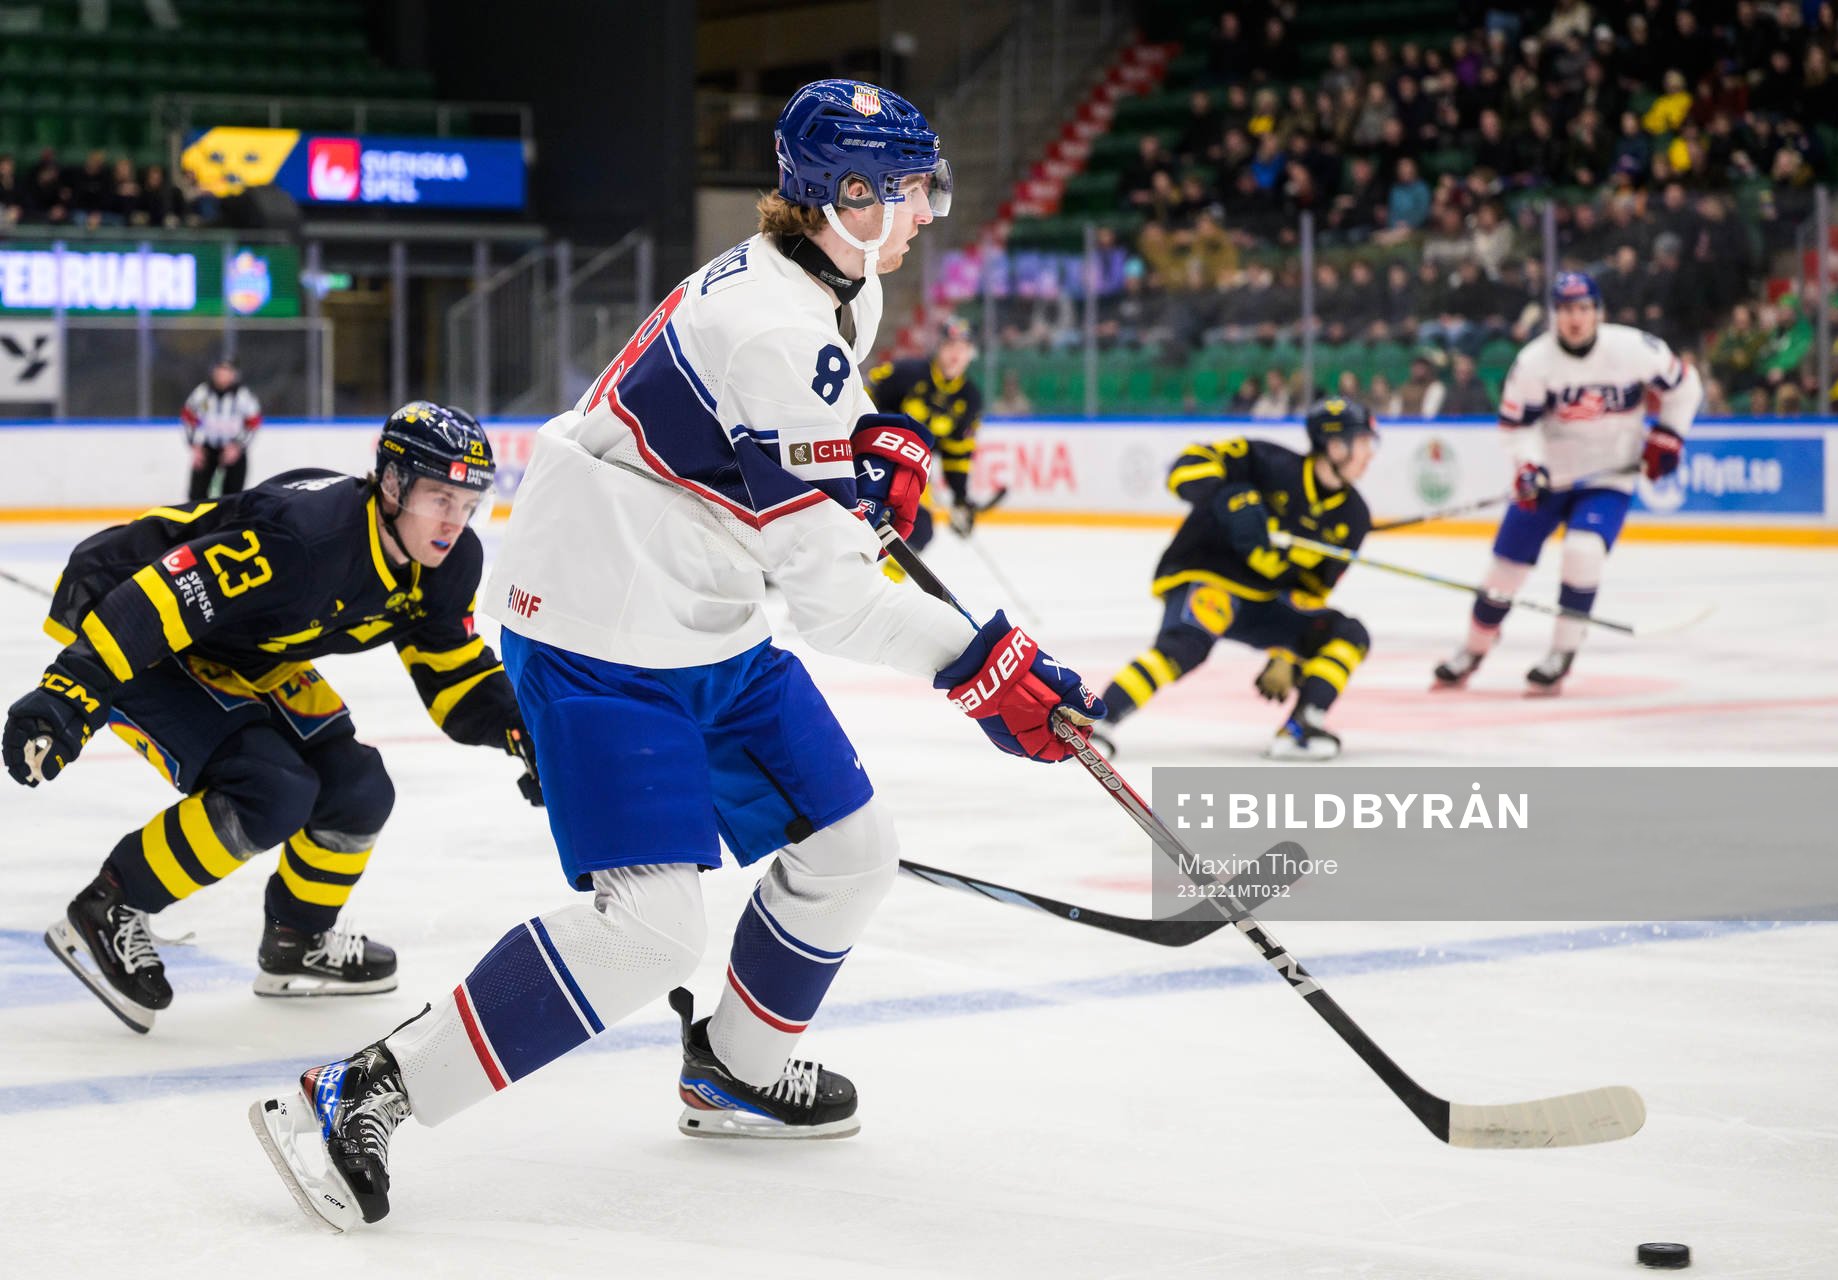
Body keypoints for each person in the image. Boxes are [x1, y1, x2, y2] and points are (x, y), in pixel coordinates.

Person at [246, 79, 1103, 1232]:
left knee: (856, 847)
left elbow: (777, 441)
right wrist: (982, 663)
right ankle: (359, 1089)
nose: (929, 211)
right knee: (649, 929)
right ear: (845, 199)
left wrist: (856, 451)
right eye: (910, 191)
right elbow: (836, 599)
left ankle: (736, 1065)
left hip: (703, 604)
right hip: (603, 624)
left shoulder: (830, 283)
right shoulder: (774, 325)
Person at [2, 403, 542, 1034]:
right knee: (270, 788)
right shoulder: (306, 539)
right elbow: (157, 602)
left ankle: (296, 940)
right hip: (136, 622)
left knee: (358, 788)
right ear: (392, 485)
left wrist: (528, 733)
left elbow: (452, 674)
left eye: (469, 502)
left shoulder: (446, 564)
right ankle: (108, 908)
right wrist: (66, 696)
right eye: (439, 497)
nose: (455, 521)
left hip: (242, 646)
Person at [1433, 272, 1701, 694]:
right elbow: (1516, 427)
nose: (1575, 319)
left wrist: (1669, 434)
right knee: (1504, 572)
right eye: (1566, 311)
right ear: (1554, 316)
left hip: (1608, 478)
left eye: (1583, 309)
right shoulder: (1534, 363)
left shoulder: (1634, 349)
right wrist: (1528, 465)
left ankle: (1562, 651)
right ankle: (1474, 647)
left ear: (1598, 312)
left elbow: (1685, 387)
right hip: (1549, 480)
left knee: (1584, 552)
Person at [1091, 398, 1377, 762]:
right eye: (1365, 443)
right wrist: (1228, 496)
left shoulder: (1353, 516)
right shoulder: (1266, 462)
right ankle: (1095, 721)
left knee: (1347, 634)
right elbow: (1184, 470)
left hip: (1264, 603)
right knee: (1186, 645)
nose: (1370, 455)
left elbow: (1311, 591)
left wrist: (1285, 654)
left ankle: (1301, 727)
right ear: (1336, 445)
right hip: (1209, 575)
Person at [866, 315, 986, 550]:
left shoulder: (970, 398)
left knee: (919, 531)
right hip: (868, 462)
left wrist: (960, 499)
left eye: (963, 348)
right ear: (940, 347)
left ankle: (886, 584)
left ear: (971, 353)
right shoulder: (905, 374)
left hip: (911, 473)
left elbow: (957, 453)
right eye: (950, 346)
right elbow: (862, 399)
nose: (956, 354)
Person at [182, 359, 263, 501]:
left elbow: (254, 422)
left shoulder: (243, 396)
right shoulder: (202, 392)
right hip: (207, 448)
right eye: (219, 373)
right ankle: (199, 523)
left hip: (233, 450)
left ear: (233, 375)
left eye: (226, 373)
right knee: (196, 495)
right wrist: (194, 446)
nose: (222, 377)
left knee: (232, 497)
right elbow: (188, 417)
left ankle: (227, 523)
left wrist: (238, 447)